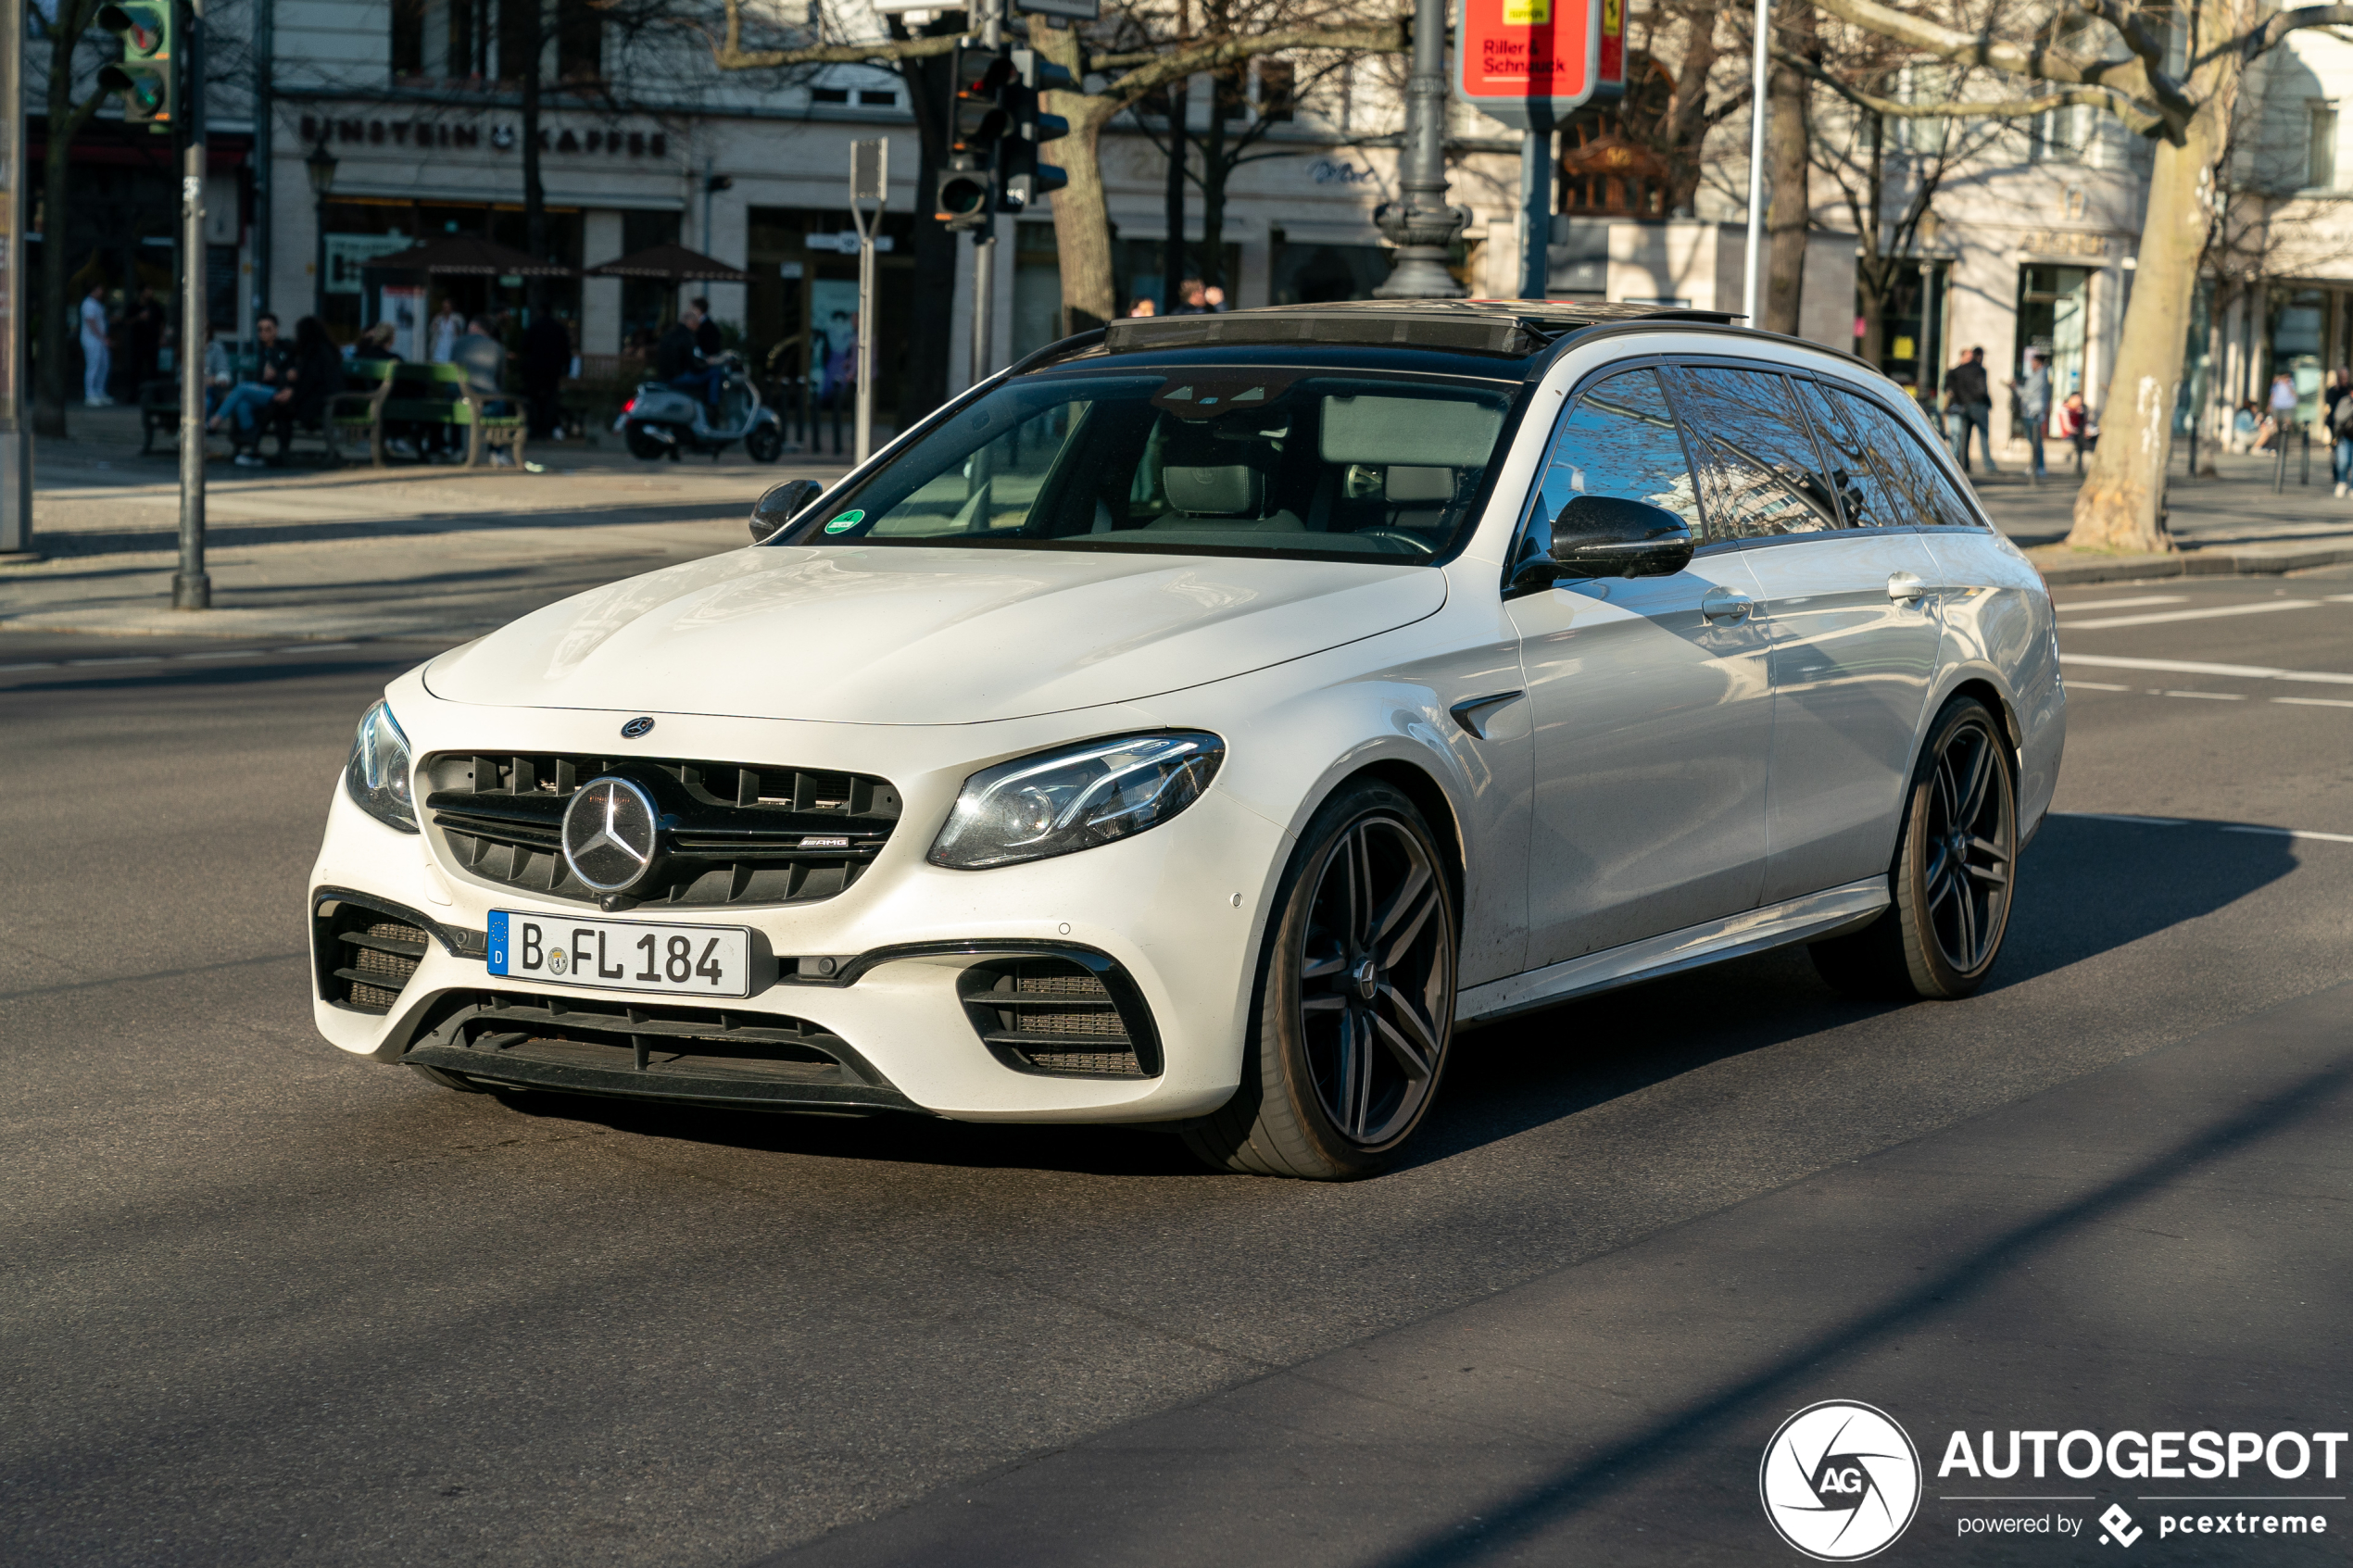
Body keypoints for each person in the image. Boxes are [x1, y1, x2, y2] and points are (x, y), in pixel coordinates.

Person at [210, 312, 295, 461]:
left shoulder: (285, 347)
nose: (264, 333)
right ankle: (252, 444)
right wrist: (264, 377)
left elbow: (291, 374)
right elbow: (260, 379)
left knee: (242, 388)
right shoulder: (262, 350)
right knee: (242, 403)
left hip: (281, 392)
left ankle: (216, 420)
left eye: (268, 329)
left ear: (276, 330)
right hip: (264, 391)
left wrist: (275, 374)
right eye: (260, 330)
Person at [520, 308, 573, 441]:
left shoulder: (534, 327)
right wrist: (566, 368)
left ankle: (535, 428)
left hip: (535, 369)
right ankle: (547, 427)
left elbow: (524, 346)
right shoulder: (558, 329)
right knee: (550, 399)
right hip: (552, 369)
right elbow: (566, 350)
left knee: (534, 400)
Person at [1943, 346, 1994, 474]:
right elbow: (1982, 389)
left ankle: (1963, 464)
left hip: (1964, 406)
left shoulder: (1957, 371)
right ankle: (1988, 465)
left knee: (1964, 437)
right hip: (1974, 405)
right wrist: (1987, 401)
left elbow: (1952, 388)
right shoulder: (1978, 370)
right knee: (1980, 435)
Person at [2015, 348, 2051, 482]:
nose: (2031, 365)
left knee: (2036, 441)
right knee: (2034, 441)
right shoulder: (2038, 375)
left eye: (2033, 362)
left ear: (2039, 363)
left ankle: (2038, 467)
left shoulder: (2040, 376)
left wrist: (2016, 388)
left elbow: (2027, 393)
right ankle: (2036, 466)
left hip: (2034, 412)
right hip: (2030, 411)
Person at [80, 282, 112, 407]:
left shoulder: (97, 304)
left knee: (103, 365)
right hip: (92, 339)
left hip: (100, 339)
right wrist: (102, 336)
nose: (102, 292)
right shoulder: (88, 304)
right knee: (93, 366)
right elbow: (91, 322)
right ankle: (90, 394)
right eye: (99, 289)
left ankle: (99, 392)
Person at [428, 298, 463, 363]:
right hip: (438, 349)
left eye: (447, 307)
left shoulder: (457, 318)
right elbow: (431, 331)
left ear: (451, 308)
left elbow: (460, 333)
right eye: (443, 307)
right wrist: (435, 321)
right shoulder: (439, 319)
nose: (445, 309)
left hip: (450, 349)